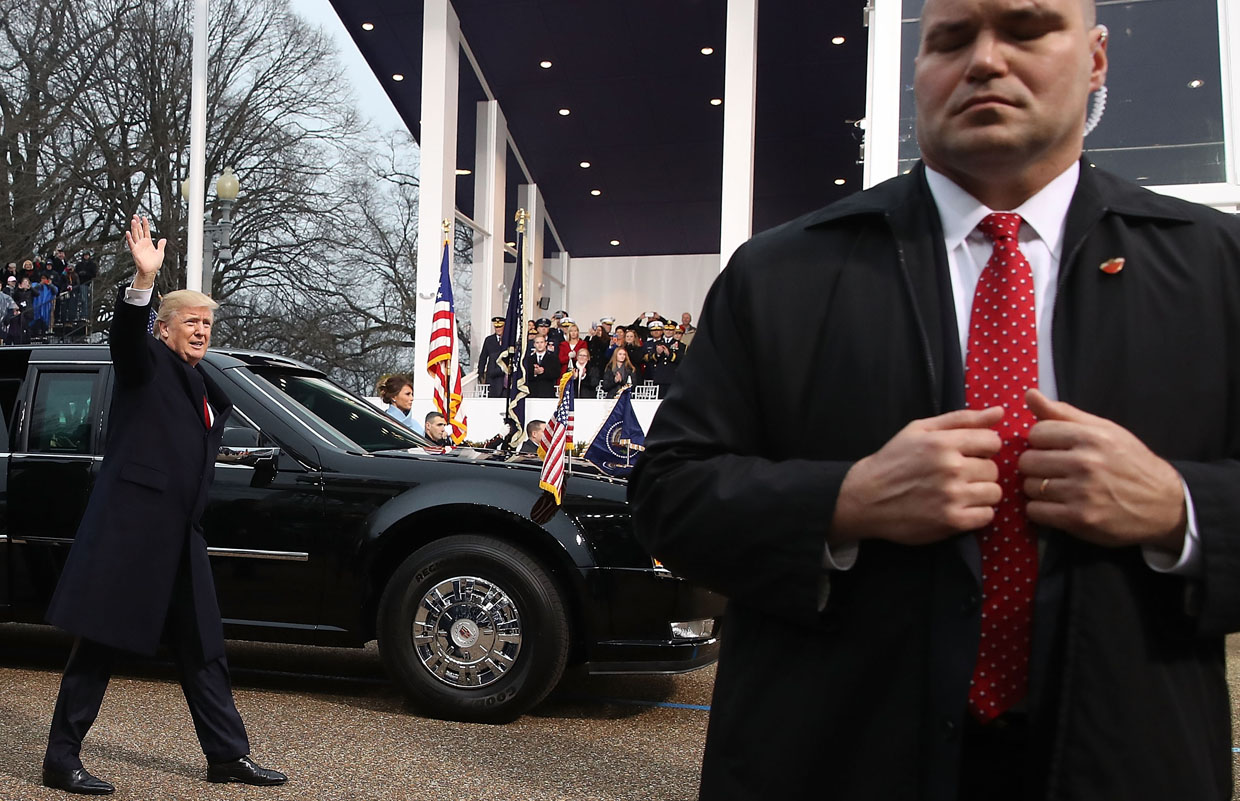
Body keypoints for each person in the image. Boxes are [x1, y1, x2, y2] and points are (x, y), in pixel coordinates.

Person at [629, 1, 1240, 798]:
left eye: (1025, 30)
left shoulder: (1217, 271)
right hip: (832, 763)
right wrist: (843, 501)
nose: (986, 60)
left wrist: (1179, 507)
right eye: (951, 39)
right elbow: (667, 494)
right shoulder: (780, 276)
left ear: (1095, 59)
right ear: (918, 75)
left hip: (1124, 761)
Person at [41, 215, 287, 795]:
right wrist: (142, 279)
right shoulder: (145, 363)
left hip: (181, 537)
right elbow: (124, 340)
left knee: (204, 647)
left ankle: (227, 756)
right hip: (132, 534)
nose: (200, 332)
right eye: (189, 323)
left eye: (206, 323)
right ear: (163, 327)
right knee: (99, 643)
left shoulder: (201, 383)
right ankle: (60, 759)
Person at [476, 316, 508, 398]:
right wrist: (481, 374)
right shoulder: (489, 340)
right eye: (496, 327)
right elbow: (483, 357)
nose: (498, 329)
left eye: (500, 327)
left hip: (505, 376)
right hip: (492, 376)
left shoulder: (509, 340)